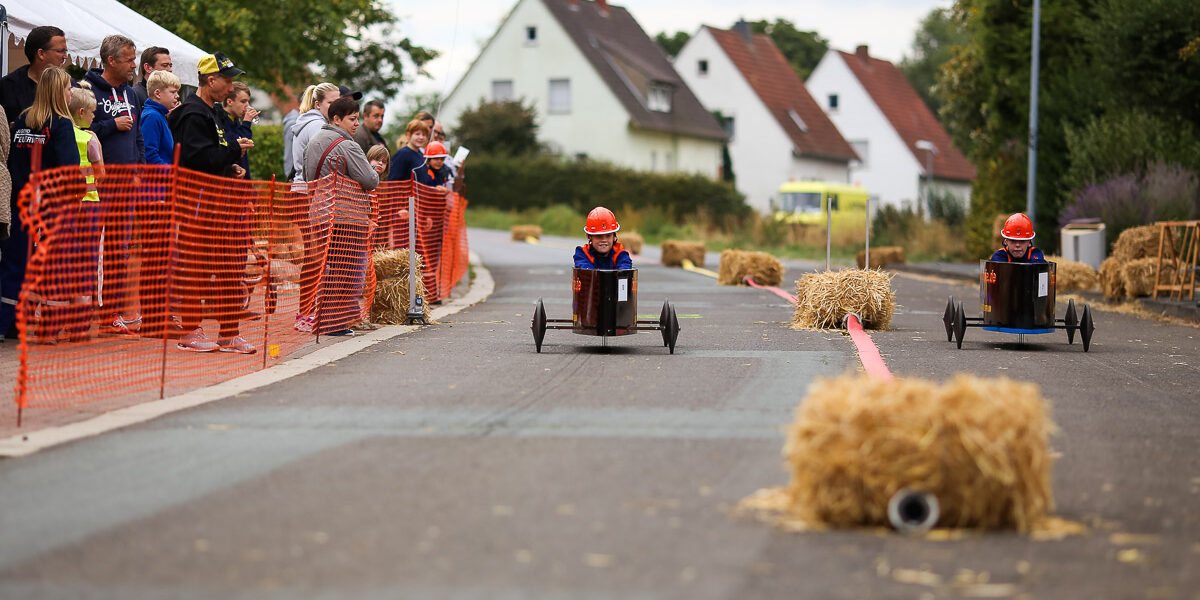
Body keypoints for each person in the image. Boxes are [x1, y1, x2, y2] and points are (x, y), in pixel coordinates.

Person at [167, 52, 256, 353]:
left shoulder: (214, 112)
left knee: (230, 268)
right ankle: (190, 332)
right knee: (198, 269)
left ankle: (229, 334)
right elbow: (198, 160)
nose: (231, 87)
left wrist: (231, 166)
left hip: (220, 202)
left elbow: (214, 156)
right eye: (227, 81)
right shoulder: (194, 114)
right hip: (198, 203)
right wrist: (233, 152)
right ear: (210, 80)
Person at [0, 66, 80, 340]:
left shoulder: (22, 120)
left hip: (21, 205)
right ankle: (48, 329)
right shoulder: (61, 124)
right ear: (59, 92)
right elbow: (68, 170)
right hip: (51, 207)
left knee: (14, 266)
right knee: (53, 268)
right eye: (68, 88)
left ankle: (6, 325)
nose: (71, 93)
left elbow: (11, 161)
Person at [302, 96, 378, 336]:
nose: (356, 124)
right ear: (337, 119)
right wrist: (374, 169)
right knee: (348, 271)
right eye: (352, 119)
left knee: (329, 269)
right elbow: (370, 180)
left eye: (357, 119)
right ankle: (335, 322)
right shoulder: (348, 146)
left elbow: (308, 177)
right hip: (346, 217)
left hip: (319, 213)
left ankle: (326, 319)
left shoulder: (314, 141)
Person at [85, 35, 145, 335]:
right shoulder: (86, 89)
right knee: (91, 248)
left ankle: (111, 314)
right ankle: (84, 312)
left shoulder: (131, 94)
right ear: (111, 60)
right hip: (97, 185)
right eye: (129, 60)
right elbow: (81, 129)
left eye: (134, 59)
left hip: (126, 185)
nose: (134, 65)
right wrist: (111, 125)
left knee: (119, 249)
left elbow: (138, 136)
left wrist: (139, 170)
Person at [0, 25, 67, 128]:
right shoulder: (7, 87)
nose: (65, 56)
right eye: (60, 51)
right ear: (41, 54)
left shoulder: (68, 86)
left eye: (65, 51)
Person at [290, 82, 339, 182]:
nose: (336, 107)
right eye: (330, 103)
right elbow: (322, 163)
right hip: (310, 187)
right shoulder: (318, 125)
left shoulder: (311, 122)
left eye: (337, 103)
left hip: (304, 186)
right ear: (317, 105)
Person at [140, 70, 181, 165]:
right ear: (157, 94)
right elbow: (149, 155)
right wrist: (169, 172)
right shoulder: (152, 117)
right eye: (173, 92)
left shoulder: (159, 115)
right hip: (159, 174)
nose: (177, 96)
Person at [222, 81, 259, 179]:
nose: (247, 106)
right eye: (243, 101)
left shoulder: (235, 120)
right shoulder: (222, 120)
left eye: (248, 102)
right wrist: (246, 122)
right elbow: (239, 144)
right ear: (229, 102)